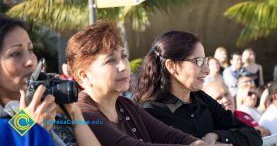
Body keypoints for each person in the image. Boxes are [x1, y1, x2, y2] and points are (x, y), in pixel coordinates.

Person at [66, 20, 206, 146]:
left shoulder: (126, 105)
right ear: (84, 76)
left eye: (123, 56)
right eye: (110, 60)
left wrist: (196, 143)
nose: (123, 66)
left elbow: (168, 134)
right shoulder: (84, 112)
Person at [133, 30, 262, 145]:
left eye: (205, 61)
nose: (207, 69)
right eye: (198, 61)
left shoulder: (202, 99)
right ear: (172, 65)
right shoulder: (149, 112)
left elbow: (253, 135)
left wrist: (219, 136)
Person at [0, 15, 101, 146]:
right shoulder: (13, 124)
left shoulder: (52, 108)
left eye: (30, 50)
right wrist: (28, 124)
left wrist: (74, 114)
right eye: (15, 54)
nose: (30, 61)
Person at [203, 81, 270, 137]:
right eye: (219, 98)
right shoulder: (208, 127)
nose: (226, 100)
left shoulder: (242, 114)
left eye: (226, 94)